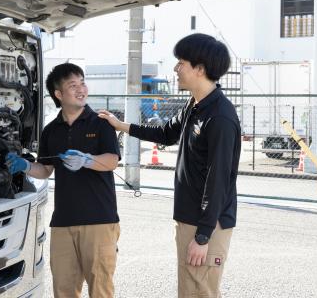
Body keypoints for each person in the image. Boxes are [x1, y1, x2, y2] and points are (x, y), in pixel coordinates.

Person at [99, 33, 240, 298]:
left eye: (181, 62)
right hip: (191, 218)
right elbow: (165, 133)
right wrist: (121, 126)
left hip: (206, 224)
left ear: (199, 69)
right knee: (193, 289)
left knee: (199, 292)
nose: (176, 69)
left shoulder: (219, 117)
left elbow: (218, 179)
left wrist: (203, 237)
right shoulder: (195, 105)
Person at [6, 63, 121, 298]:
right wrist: (25, 166)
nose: (81, 89)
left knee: (101, 289)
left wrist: (87, 160)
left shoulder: (101, 122)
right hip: (63, 222)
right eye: (73, 85)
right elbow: (46, 169)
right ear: (58, 94)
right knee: (63, 289)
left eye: (82, 83)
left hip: (99, 220)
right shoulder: (51, 130)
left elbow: (112, 161)